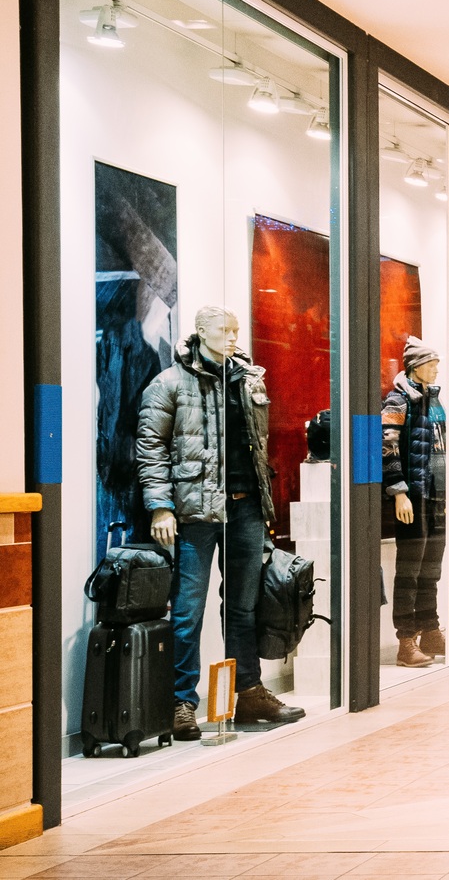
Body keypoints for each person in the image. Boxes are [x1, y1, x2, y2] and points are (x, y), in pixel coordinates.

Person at [137, 305, 306, 737]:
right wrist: (160, 506)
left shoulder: (248, 380)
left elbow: (259, 445)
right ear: (200, 332)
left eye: (235, 329)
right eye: (222, 329)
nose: (232, 336)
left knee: (243, 608)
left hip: (246, 507)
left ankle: (247, 693)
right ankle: (180, 701)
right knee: (188, 609)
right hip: (195, 512)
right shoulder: (170, 384)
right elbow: (150, 448)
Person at [384, 338, 448, 667]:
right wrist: (399, 491)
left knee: (431, 568)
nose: (437, 367)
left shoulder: (431, 401)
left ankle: (431, 629)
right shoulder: (399, 400)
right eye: (432, 362)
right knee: (409, 570)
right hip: (414, 495)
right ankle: (406, 640)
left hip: (436, 495)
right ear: (416, 366)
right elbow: (388, 446)